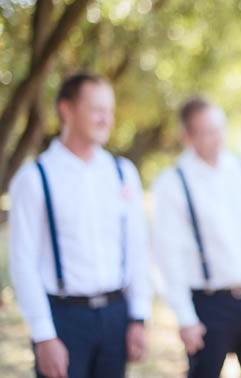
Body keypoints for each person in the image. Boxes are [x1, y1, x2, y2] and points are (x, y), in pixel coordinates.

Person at [9, 73, 152, 378]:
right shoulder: (35, 177)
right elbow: (22, 262)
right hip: (64, 318)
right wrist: (44, 335)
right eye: (97, 109)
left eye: (110, 111)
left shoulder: (122, 172)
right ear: (66, 110)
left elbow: (138, 248)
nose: (106, 119)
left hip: (117, 314)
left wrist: (139, 317)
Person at [151, 97, 241, 378]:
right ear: (187, 137)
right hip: (209, 307)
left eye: (219, 128)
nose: (216, 137)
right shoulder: (174, 182)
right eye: (207, 131)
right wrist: (185, 318)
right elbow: (168, 256)